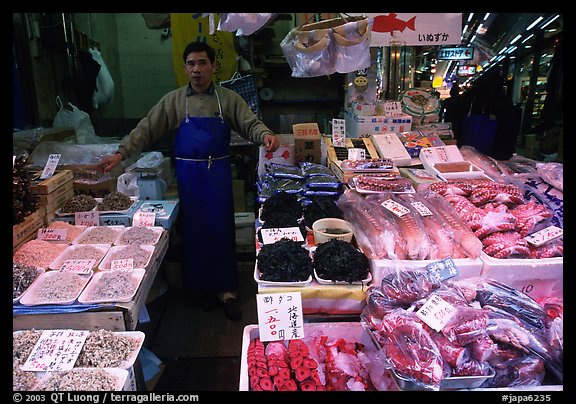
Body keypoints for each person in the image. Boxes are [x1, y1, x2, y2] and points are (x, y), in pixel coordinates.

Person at [98, 41, 279, 321]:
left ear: (213, 67)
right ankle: (202, 290)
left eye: (202, 63)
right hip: (188, 177)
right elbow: (146, 128)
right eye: (191, 64)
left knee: (220, 230)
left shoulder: (228, 99)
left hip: (217, 174)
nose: (197, 69)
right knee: (194, 231)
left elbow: (250, 123)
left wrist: (264, 134)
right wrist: (121, 153)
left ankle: (226, 292)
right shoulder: (173, 101)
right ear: (185, 68)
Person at [449, 69, 519, 160]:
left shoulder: (464, 99)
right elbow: (510, 131)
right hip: (496, 156)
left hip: (464, 154)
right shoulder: (504, 102)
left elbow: (452, 124)